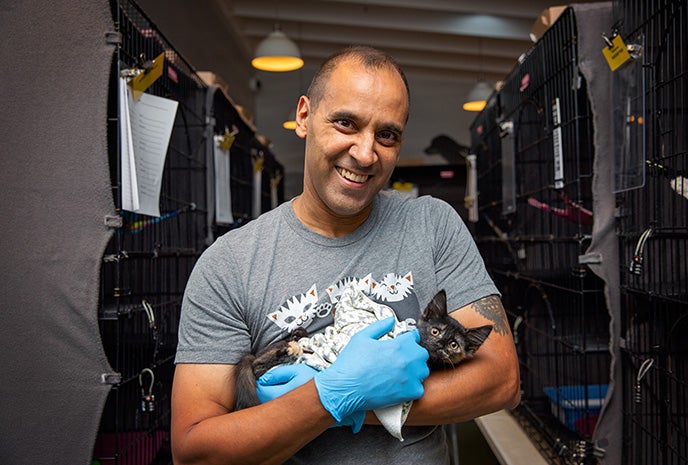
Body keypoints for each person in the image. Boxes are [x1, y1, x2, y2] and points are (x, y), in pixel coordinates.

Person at [171, 45, 520, 465]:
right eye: (345, 123)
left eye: (386, 134)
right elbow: (195, 451)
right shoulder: (229, 264)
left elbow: (501, 379)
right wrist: (327, 397)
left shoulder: (432, 224)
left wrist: (353, 400)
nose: (365, 153)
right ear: (304, 116)